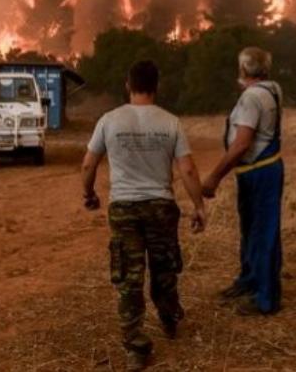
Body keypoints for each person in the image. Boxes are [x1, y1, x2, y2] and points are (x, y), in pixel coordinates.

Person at [81, 60, 207, 371]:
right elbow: (188, 169)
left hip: (124, 208)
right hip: (161, 206)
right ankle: (168, 318)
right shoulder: (170, 122)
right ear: (157, 86)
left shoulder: (109, 120)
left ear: (128, 84)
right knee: (164, 267)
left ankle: (136, 346)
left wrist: (89, 193)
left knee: (129, 277)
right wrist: (199, 206)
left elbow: (88, 164)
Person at [201, 47, 284, 316]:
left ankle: (265, 298)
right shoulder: (273, 89)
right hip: (264, 169)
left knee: (262, 232)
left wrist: (214, 177)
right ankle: (249, 280)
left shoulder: (251, 97)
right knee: (252, 229)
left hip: (259, 172)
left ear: (244, 70)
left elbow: (241, 145)